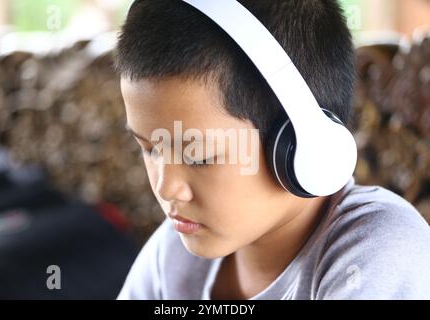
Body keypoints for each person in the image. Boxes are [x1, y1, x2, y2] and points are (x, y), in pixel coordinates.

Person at [114, 0, 430, 299]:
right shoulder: (173, 254)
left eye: (197, 155)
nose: (166, 187)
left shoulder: (379, 249)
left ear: (301, 143)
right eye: (150, 149)